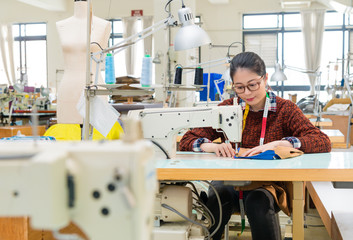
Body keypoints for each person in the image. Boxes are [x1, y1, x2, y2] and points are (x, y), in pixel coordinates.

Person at [179, 52, 331, 240]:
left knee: (258, 203)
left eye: (252, 85)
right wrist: (210, 146)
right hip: (231, 181)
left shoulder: (285, 110)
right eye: (239, 87)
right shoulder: (227, 108)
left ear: (265, 78)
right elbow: (187, 139)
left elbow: (322, 140)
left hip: (268, 184)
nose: (247, 93)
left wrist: (281, 144)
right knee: (218, 197)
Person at [56, 0, 111, 124]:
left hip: (95, 87)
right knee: (68, 137)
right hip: (68, 91)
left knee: (97, 136)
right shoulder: (61, 25)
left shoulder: (103, 25)